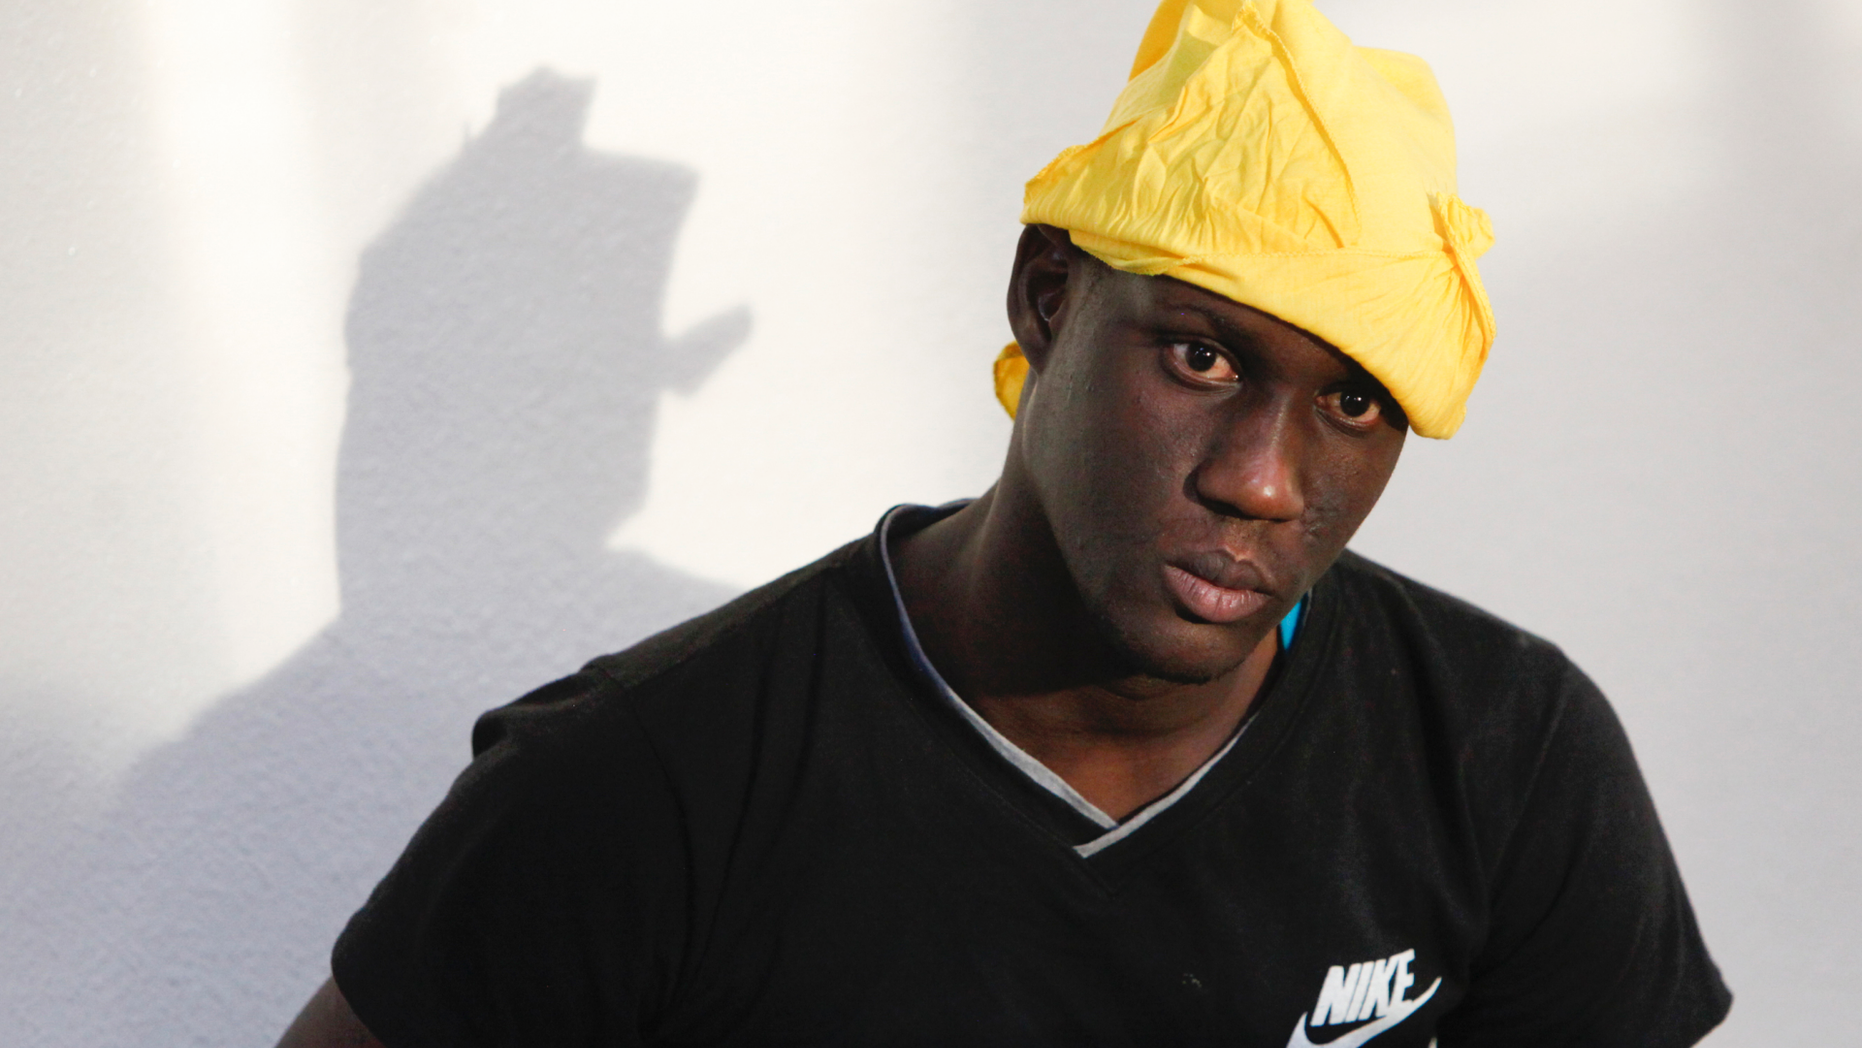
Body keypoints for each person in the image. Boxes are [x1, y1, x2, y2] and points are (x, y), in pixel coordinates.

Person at [279, 1, 1731, 1045]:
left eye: (1352, 405)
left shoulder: (1500, 749)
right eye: (1201, 356)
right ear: (1047, 298)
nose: (1264, 481)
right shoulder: (646, 786)